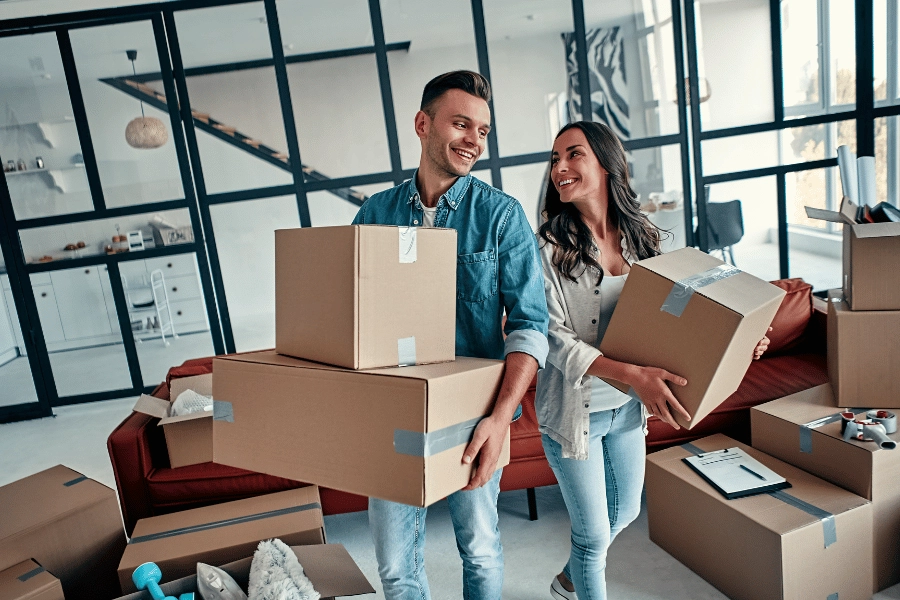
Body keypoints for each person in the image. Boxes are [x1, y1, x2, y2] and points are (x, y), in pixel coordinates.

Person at [536, 121, 771, 600]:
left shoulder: (644, 240)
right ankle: (583, 582)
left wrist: (738, 339)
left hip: (626, 408)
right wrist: (631, 375)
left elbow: (682, 320)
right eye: (555, 159)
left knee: (622, 514)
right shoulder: (547, 251)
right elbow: (551, 338)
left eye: (573, 155)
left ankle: (568, 581)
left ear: (606, 162)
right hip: (572, 415)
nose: (560, 167)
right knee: (594, 535)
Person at [351, 70, 549, 600]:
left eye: (483, 131)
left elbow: (531, 327)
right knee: (394, 566)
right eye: (461, 124)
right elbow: (352, 318)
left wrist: (501, 420)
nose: (474, 141)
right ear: (422, 123)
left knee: (481, 552)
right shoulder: (374, 215)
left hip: (473, 417)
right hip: (392, 411)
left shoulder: (501, 218)